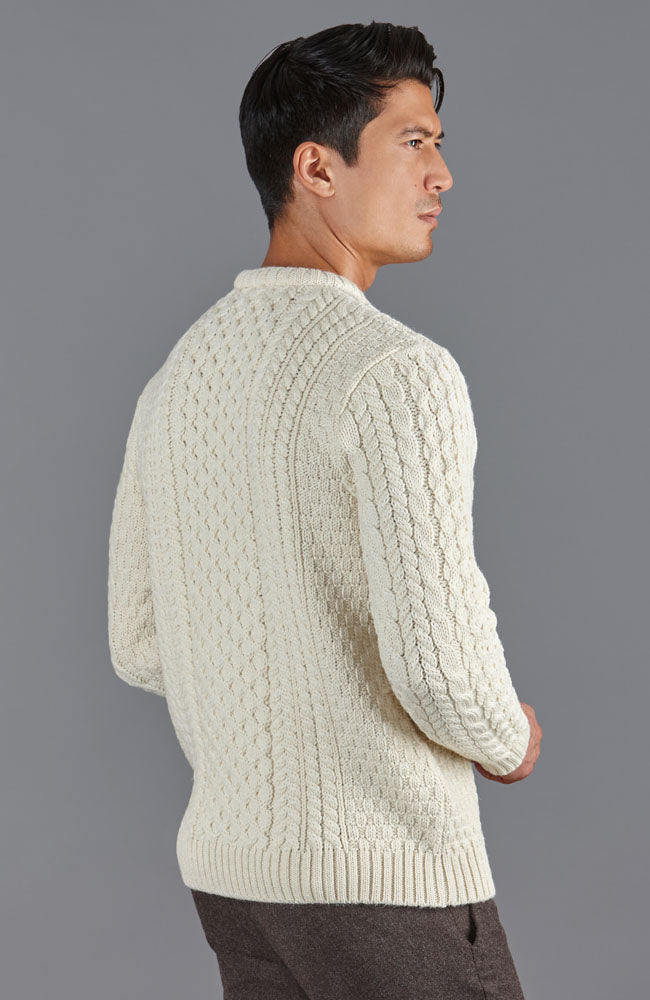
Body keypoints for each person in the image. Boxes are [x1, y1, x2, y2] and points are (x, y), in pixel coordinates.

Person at [107, 19, 542, 999]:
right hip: (383, 876)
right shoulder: (396, 373)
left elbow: (139, 641)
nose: (442, 175)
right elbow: (438, 665)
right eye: (413, 141)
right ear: (316, 167)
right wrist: (506, 736)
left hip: (238, 877)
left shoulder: (178, 380)